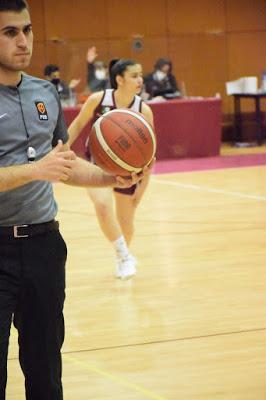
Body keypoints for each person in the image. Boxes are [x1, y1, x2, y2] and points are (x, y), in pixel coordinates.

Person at [0, 2, 147, 399]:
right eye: (10, 32)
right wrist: (34, 171)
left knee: (46, 373)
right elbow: (45, 168)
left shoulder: (43, 91)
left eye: (27, 30)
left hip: (44, 247)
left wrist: (110, 176)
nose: (23, 41)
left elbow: (64, 164)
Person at [68, 59, 154, 280]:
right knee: (103, 205)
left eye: (141, 75)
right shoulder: (99, 100)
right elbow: (77, 125)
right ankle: (123, 256)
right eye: (134, 75)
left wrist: (141, 190)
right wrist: (61, 148)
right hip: (97, 164)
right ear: (119, 79)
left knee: (127, 223)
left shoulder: (143, 110)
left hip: (129, 170)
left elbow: (149, 157)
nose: (140, 80)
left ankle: (124, 253)